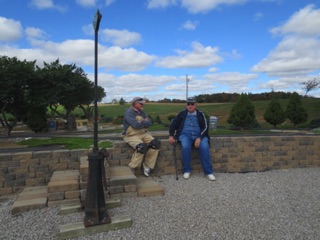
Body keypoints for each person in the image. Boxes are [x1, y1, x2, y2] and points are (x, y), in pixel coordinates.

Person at [168, 97, 215, 181]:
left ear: (195, 105)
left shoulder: (201, 114)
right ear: (186, 105)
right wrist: (171, 135)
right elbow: (173, 125)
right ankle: (186, 170)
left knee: (204, 147)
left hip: (199, 135)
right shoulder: (181, 114)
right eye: (188, 104)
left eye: (192, 104)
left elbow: (205, 127)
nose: (190, 106)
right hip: (185, 135)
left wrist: (199, 138)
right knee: (185, 147)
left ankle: (208, 172)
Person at [122, 97, 161, 177]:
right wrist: (144, 122)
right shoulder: (129, 112)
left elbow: (150, 123)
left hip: (143, 133)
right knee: (141, 147)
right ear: (135, 103)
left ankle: (147, 164)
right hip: (131, 135)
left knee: (156, 144)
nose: (143, 104)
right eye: (141, 103)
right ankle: (132, 166)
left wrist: (141, 122)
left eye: (143, 103)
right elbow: (135, 125)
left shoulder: (142, 112)